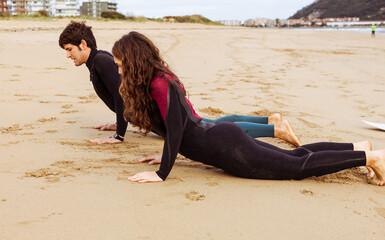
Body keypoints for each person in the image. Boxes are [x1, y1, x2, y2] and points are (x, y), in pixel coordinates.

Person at [111, 31, 385, 185]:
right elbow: (182, 127)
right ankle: (358, 147)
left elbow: (176, 128)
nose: (119, 68)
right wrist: (167, 155)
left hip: (225, 146)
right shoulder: (160, 79)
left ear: (134, 60)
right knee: (298, 154)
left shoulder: (159, 84)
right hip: (221, 137)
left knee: (298, 166)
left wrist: (161, 173)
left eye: (121, 62)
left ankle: (371, 158)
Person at [58, 21, 301, 146]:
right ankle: (271, 120)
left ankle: (276, 129)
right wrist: (120, 121)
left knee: (211, 130)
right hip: (156, 114)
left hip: (162, 111)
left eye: (69, 49)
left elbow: (121, 96)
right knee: (211, 123)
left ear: (83, 44)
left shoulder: (100, 60)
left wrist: (119, 136)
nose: (68, 55)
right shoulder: (98, 62)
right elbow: (122, 95)